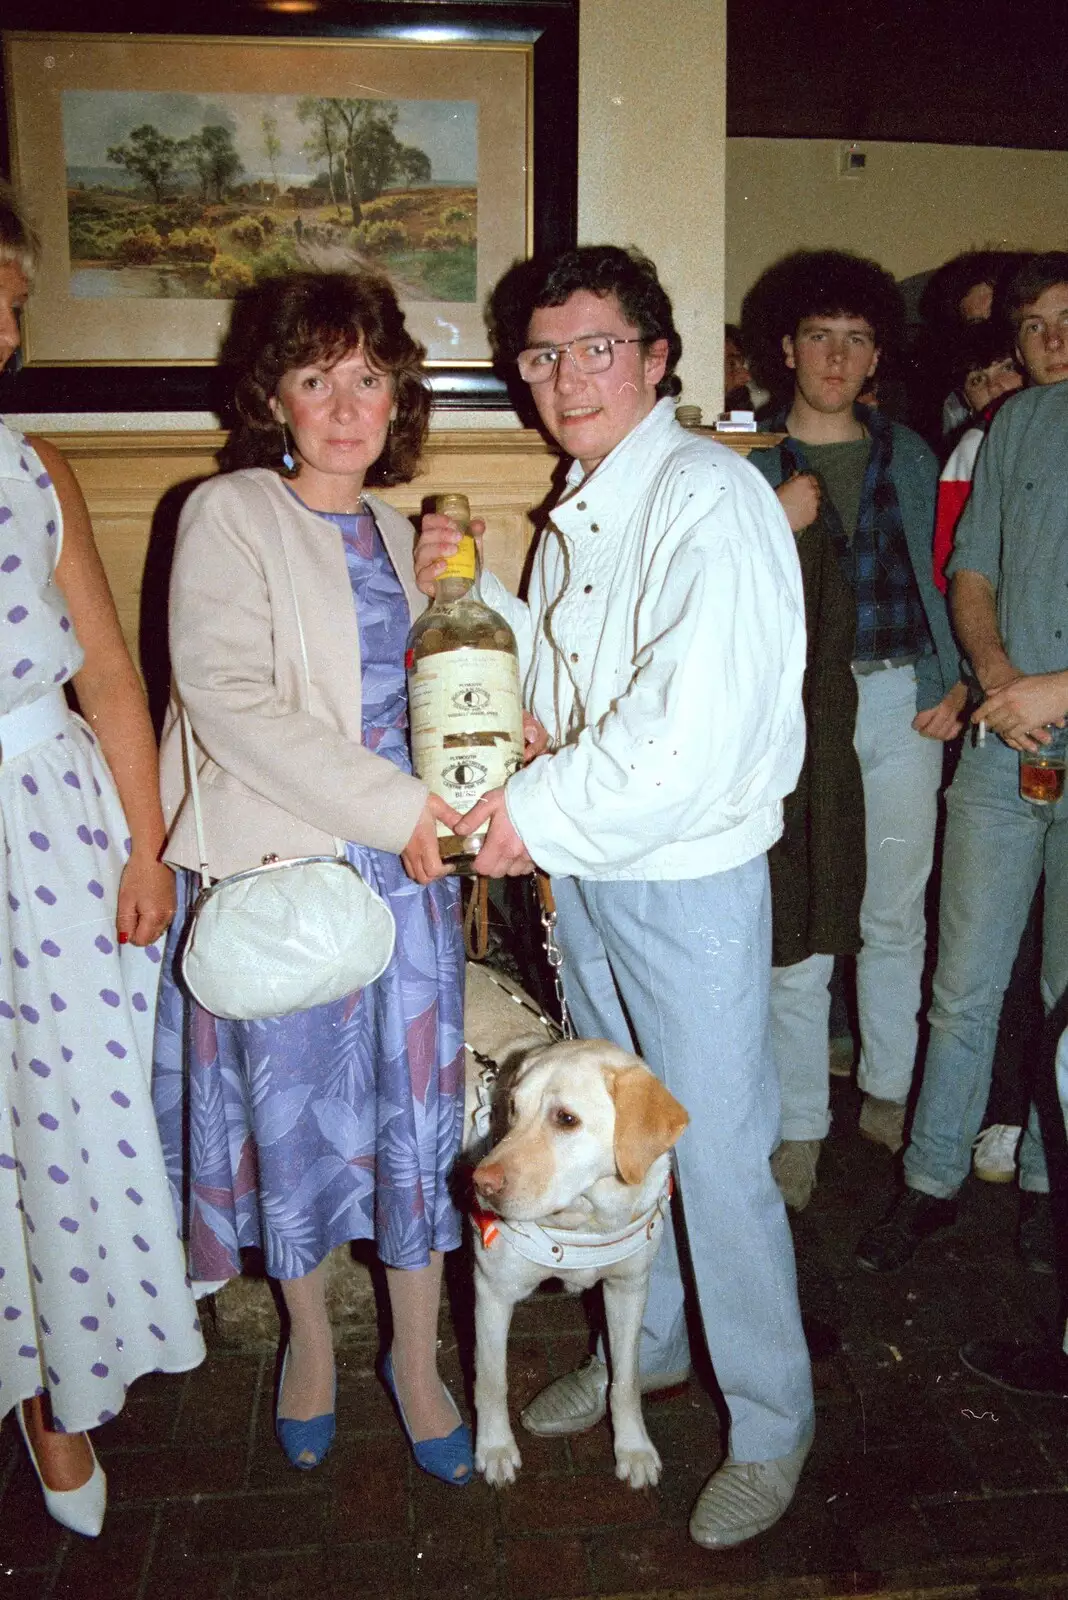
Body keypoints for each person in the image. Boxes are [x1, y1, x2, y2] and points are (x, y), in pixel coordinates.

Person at [414, 245, 814, 1548]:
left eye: (596, 348)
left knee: (715, 1152)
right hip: (592, 873)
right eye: (542, 355)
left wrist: (529, 817)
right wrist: (466, 593)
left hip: (686, 878)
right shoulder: (587, 497)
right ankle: (651, 1353)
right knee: (621, 1144)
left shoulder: (711, 494)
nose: (568, 376)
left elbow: (681, 735)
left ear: (655, 358)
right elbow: (564, 704)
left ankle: (771, 1421)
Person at [151, 270, 472, 1482]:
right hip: (288, 871)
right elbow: (229, 701)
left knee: (411, 1125)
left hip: (407, 881)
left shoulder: (406, 531)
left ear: (399, 395)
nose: (347, 405)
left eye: (370, 378)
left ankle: (419, 1357)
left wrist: (459, 593)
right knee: (296, 1134)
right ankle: (310, 1349)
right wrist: (397, 813)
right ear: (274, 398)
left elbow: (456, 693)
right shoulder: (228, 510)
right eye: (316, 378)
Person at [0, 182, 204, 1539]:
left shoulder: (32, 467)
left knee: (58, 1120)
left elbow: (113, 679)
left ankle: (55, 1394)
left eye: (16, 304)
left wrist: (148, 847)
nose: (9, 329)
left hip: (39, 823)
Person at [856, 304, 1068, 1276]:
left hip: (1044, 709)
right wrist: (995, 679)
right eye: (1032, 324)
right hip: (1001, 743)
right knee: (962, 981)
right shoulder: (1012, 427)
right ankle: (931, 1177)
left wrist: (1050, 690)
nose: (1050, 336)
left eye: (1067, 316)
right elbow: (968, 568)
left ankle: (1045, 1184)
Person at [742, 249, 965, 1161]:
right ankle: (799, 1123)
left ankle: (886, 1089)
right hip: (793, 718)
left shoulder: (909, 455)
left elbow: (950, 571)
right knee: (798, 920)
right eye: (819, 338)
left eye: (857, 340)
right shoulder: (745, 462)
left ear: (878, 356)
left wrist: (955, 678)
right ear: (786, 349)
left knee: (891, 915)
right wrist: (768, 516)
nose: (837, 358)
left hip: (902, 705)